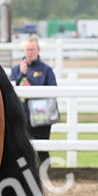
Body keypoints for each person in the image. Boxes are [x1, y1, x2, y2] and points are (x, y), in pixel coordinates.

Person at [9, 36, 58, 164]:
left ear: (38, 50)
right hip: (22, 116)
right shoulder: (16, 70)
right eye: (27, 50)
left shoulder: (46, 70)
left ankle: (45, 175)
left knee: (42, 149)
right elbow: (10, 90)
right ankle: (27, 178)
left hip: (41, 115)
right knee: (23, 149)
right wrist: (22, 74)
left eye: (32, 49)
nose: (30, 53)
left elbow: (53, 91)